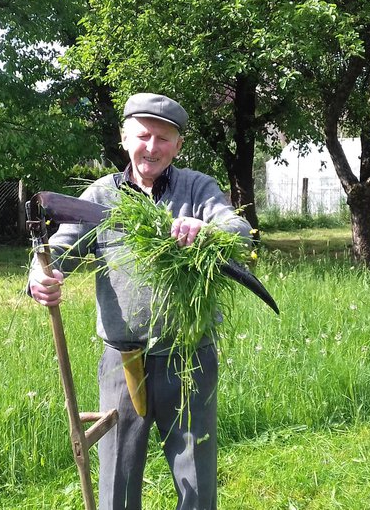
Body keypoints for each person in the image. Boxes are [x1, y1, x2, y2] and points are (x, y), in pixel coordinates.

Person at [28, 93, 251, 509]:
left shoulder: (197, 187)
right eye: (143, 135)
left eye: (163, 138)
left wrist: (205, 229)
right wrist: (40, 276)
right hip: (123, 360)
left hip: (187, 357)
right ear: (124, 137)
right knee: (117, 477)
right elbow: (57, 251)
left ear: (178, 146)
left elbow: (237, 230)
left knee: (196, 476)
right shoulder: (99, 197)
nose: (152, 146)